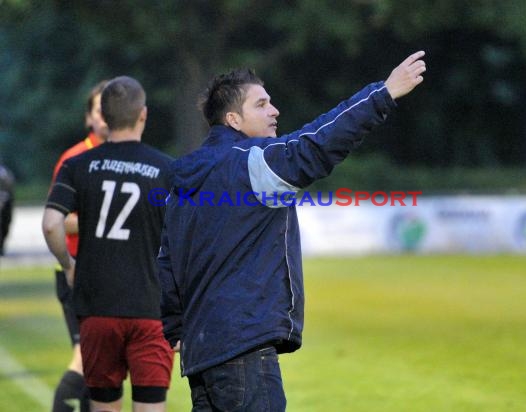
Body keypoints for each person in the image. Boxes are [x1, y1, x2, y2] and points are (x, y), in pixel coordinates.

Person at [158, 50, 427, 411]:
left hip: (201, 354)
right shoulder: (253, 162)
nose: (275, 111)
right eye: (262, 104)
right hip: (243, 347)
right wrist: (384, 93)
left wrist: (175, 326)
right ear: (234, 119)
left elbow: (167, 261)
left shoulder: (182, 180)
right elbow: (316, 143)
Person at [43, 76, 174, 412]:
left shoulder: (77, 165)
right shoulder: (167, 169)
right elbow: (185, 240)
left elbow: (51, 224)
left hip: (97, 309)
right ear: (143, 114)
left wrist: (68, 265)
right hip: (150, 310)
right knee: (150, 406)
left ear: (103, 114)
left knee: (103, 407)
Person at [48, 79, 109, 412]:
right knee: (86, 360)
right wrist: (105, 219)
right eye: (100, 109)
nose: (106, 116)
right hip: (78, 271)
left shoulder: (126, 158)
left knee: (101, 369)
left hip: (114, 275)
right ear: (89, 118)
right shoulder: (74, 159)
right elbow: (56, 219)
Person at [0, 162, 15, 256]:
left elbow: (9, 189)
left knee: (5, 224)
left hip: (5, 201)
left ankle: (1, 246)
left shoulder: (4, 173)